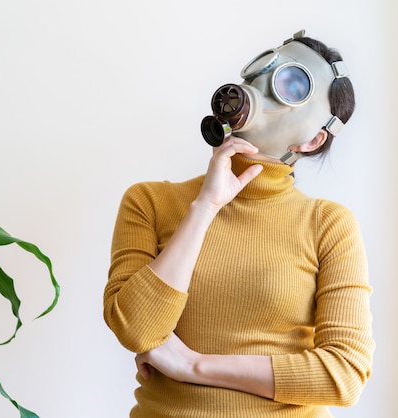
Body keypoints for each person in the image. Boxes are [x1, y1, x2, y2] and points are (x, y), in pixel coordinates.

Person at [103, 30, 374, 418]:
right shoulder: (150, 202)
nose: (259, 89)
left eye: (291, 85)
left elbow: (343, 376)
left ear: (312, 140)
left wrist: (192, 366)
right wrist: (205, 206)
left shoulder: (329, 225)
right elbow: (137, 330)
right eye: (263, 72)